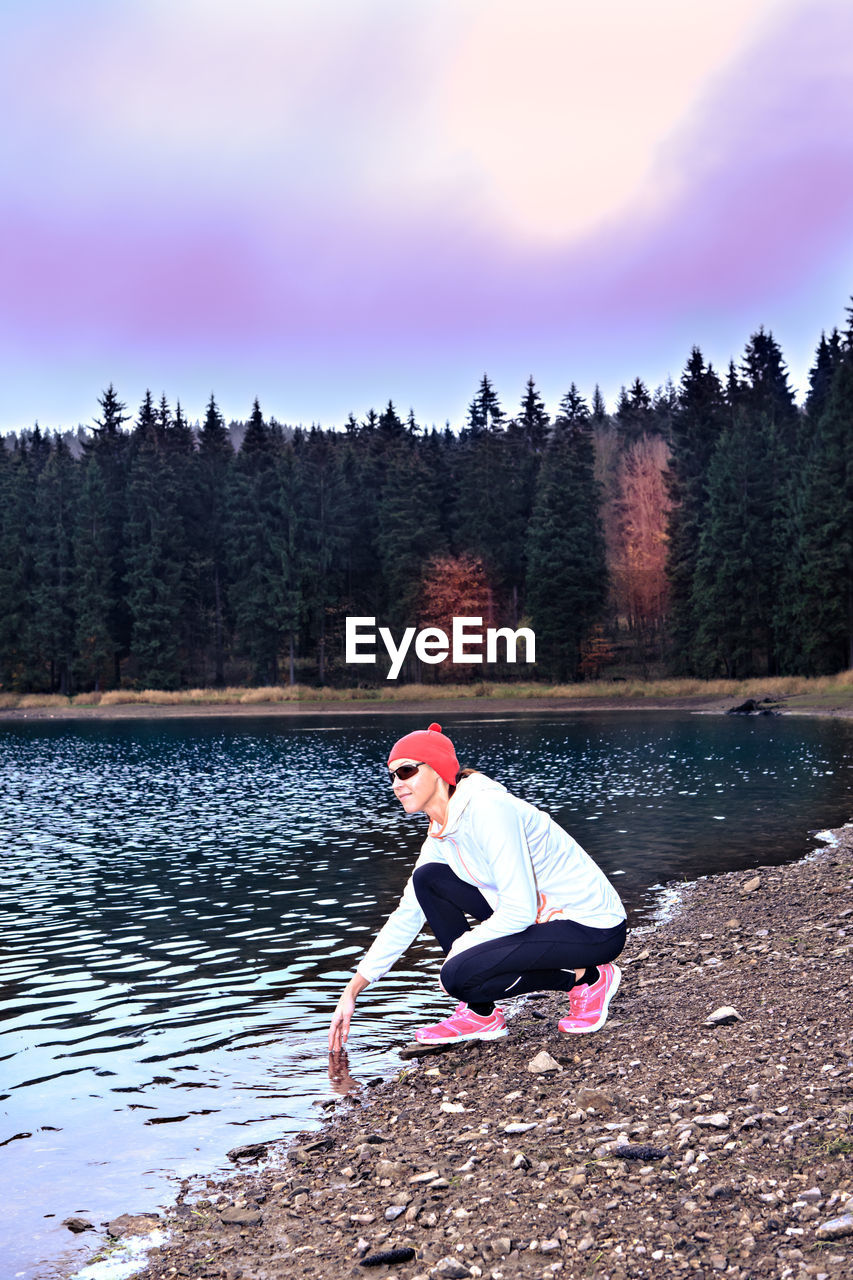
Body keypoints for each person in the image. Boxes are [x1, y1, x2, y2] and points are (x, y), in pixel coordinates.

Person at [328, 723, 627, 1051]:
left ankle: (590, 978)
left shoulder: (488, 809)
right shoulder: (441, 832)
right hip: (543, 920)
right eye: (393, 776)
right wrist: (353, 990)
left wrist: (462, 950)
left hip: (592, 927)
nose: (398, 784)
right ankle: (481, 1012)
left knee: (456, 975)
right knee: (428, 880)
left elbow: (520, 909)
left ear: (439, 772)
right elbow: (408, 914)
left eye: (407, 771)